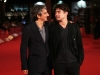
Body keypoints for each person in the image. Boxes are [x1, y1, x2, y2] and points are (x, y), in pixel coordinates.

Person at [49, 4, 84, 75]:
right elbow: (51, 47)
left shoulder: (74, 27)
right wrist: (53, 63)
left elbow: (79, 44)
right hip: (59, 64)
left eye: (59, 12)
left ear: (66, 13)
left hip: (73, 63)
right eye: (55, 12)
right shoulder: (52, 29)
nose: (56, 14)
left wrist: (79, 61)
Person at [20, 5, 51, 75]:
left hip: (47, 65)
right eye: (45, 13)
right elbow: (23, 48)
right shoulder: (28, 28)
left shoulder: (48, 26)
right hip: (34, 65)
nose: (48, 15)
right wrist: (24, 66)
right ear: (38, 15)